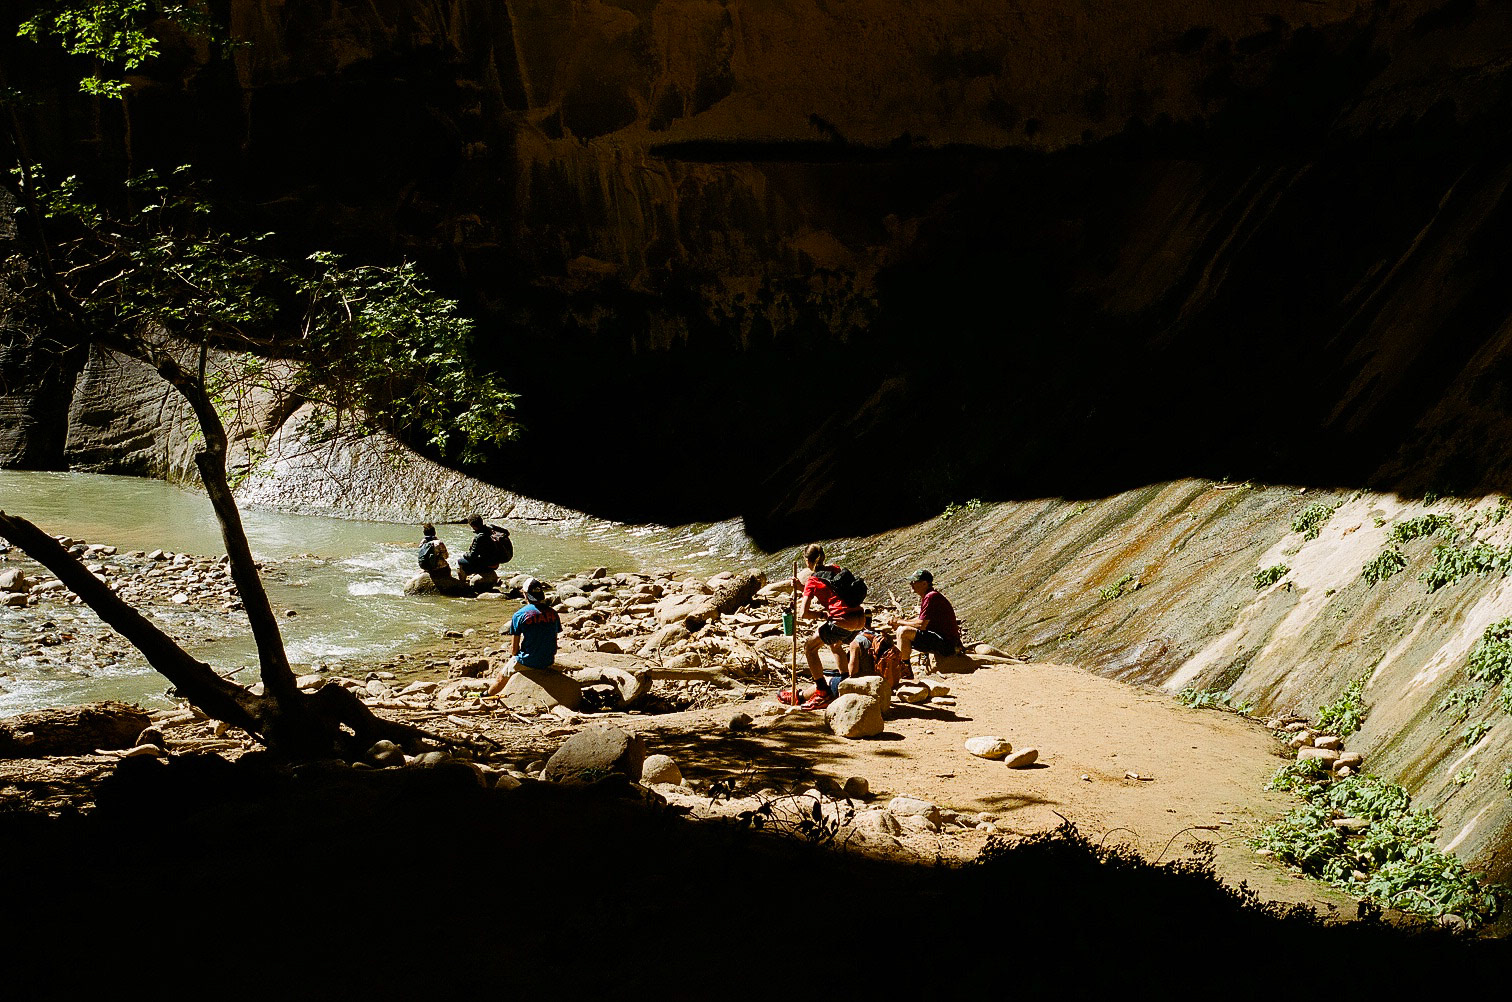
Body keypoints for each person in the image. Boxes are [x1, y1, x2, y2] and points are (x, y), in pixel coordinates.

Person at [786, 543, 867, 709]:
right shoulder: (836, 569)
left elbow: (803, 613)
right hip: (860, 620)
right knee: (835, 644)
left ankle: (822, 692)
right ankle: (845, 680)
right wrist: (801, 588)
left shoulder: (813, 580)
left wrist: (820, 615)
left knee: (809, 647)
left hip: (842, 621)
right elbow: (829, 590)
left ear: (807, 561)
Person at [484, 577, 562, 695]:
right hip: (548, 660)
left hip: (529, 660)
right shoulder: (553, 613)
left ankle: (487, 694)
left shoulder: (520, 615)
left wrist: (516, 658)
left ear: (525, 595)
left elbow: (514, 650)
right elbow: (552, 636)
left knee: (501, 677)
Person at [892, 569, 961, 672]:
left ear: (924, 583)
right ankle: (903, 666)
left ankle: (904, 670)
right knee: (901, 630)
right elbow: (921, 619)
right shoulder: (929, 596)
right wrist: (900, 622)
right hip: (943, 640)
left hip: (947, 644)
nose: (911, 584)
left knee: (904, 632)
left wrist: (898, 622)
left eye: (914, 581)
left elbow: (921, 625)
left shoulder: (930, 597)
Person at [457, 513, 511, 584]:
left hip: (489, 564)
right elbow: (507, 533)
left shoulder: (480, 537)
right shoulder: (491, 528)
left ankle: (462, 583)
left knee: (460, 561)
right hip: (497, 561)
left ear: (472, 526)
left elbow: (472, 556)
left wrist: (465, 554)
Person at [416, 522, 468, 595]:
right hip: (439, 569)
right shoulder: (438, 543)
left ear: (424, 533)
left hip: (427, 568)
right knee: (448, 568)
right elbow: (446, 556)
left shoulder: (422, 543)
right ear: (434, 532)